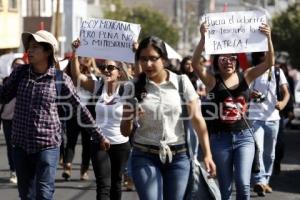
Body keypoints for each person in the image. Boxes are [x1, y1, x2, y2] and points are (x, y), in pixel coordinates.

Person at [0, 30, 110, 200]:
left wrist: (99, 136)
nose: (30, 50)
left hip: (47, 146)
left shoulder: (60, 79)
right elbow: (3, 95)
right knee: (26, 196)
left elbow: (80, 108)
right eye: (29, 46)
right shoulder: (20, 73)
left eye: (35, 47)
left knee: (44, 194)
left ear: (48, 51)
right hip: (20, 146)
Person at [120, 36, 216, 200]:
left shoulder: (181, 82)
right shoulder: (132, 87)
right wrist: (129, 117)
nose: (148, 64)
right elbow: (124, 132)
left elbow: (198, 120)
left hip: (178, 157)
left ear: (163, 60)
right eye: (143, 59)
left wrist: (207, 154)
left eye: (153, 59)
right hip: (144, 155)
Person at [191, 22, 274, 200]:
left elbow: (269, 62)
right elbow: (194, 63)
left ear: (237, 61)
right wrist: (203, 39)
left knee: (243, 183)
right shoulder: (212, 81)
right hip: (220, 139)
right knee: (225, 188)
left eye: (232, 58)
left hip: (244, 136)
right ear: (217, 62)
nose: (228, 62)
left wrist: (268, 37)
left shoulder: (248, 75)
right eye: (223, 59)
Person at [71, 39, 132, 200]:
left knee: (116, 183)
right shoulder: (98, 87)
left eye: (110, 68)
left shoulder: (126, 89)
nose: (106, 70)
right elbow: (77, 76)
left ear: (119, 71)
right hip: (98, 142)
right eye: (104, 67)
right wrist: (75, 53)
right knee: (103, 185)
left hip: (121, 144)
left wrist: (136, 50)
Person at [248, 52, 290, 196]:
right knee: (257, 149)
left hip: (273, 118)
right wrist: (250, 94)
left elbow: (286, 92)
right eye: (260, 54)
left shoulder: (277, 71)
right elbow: (242, 91)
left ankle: (265, 180)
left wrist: (283, 103)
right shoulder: (251, 72)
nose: (263, 56)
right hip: (255, 117)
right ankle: (259, 180)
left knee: (270, 154)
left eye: (265, 54)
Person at [62, 57, 97, 181]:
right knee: (72, 142)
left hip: (87, 115)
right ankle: (70, 167)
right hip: (74, 114)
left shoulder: (92, 78)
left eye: (82, 67)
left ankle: (81, 169)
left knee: (85, 143)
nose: (80, 68)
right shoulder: (69, 79)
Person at [0, 58, 25, 184]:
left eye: (20, 66)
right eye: (16, 65)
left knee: (21, 146)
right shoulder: (6, 81)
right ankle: (13, 171)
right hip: (7, 119)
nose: (18, 68)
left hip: (22, 119)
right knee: (11, 146)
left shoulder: (27, 81)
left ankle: (23, 171)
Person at [274, 62, 295, 175]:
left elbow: (290, 95)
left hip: (282, 112)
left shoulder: (289, 80)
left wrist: (290, 109)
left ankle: (277, 161)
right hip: (272, 111)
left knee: (280, 141)